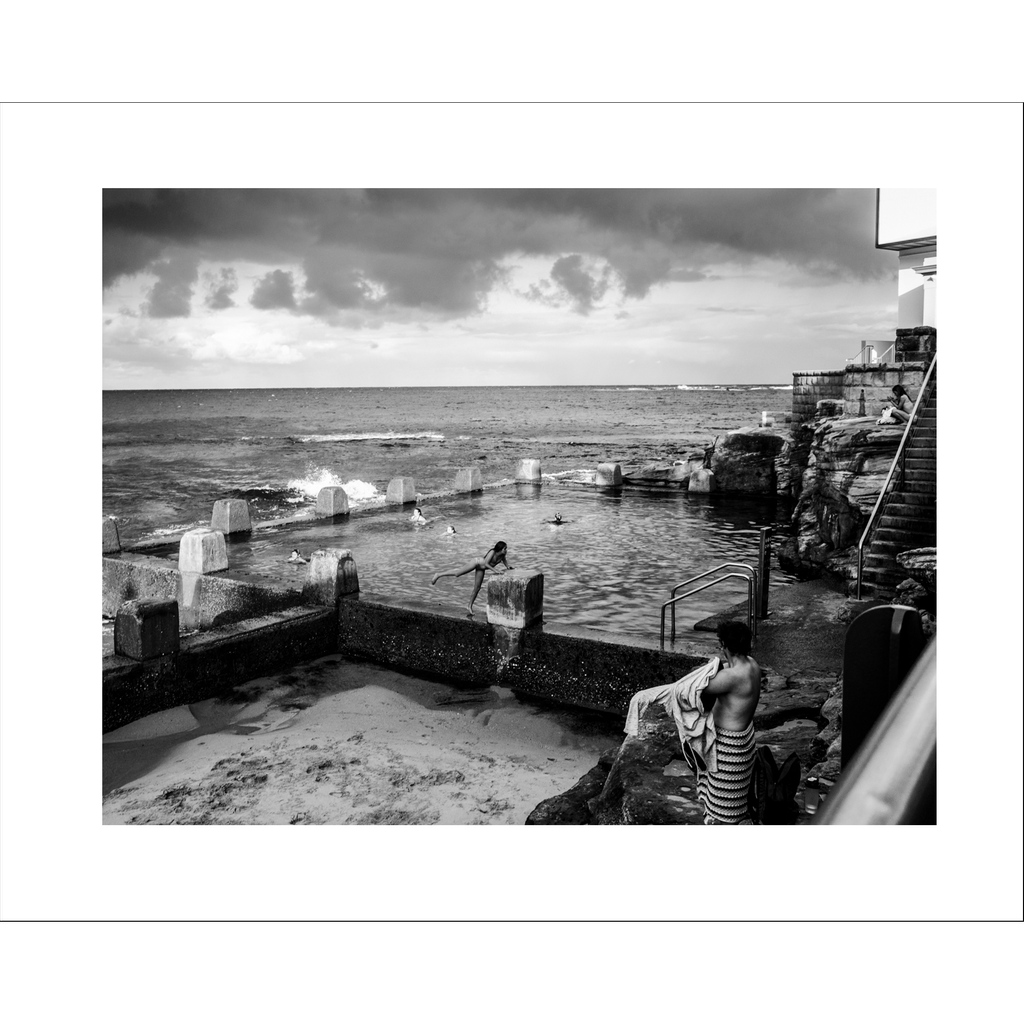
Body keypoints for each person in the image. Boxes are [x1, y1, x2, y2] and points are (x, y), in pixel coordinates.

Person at [689, 620, 762, 824]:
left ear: (724, 645)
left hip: (729, 750)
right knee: (733, 807)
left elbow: (694, 688)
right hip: (742, 742)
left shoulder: (732, 676)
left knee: (723, 814)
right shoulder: (752, 665)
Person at [431, 540, 513, 614]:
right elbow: (486, 563)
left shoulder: (502, 556)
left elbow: (506, 564)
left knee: (477, 588)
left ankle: (469, 606)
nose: (506, 550)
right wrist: (495, 570)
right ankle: (438, 574)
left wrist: (509, 567)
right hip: (476, 562)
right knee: (457, 573)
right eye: (505, 548)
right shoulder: (492, 552)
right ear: (500, 548)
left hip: (481, 569)